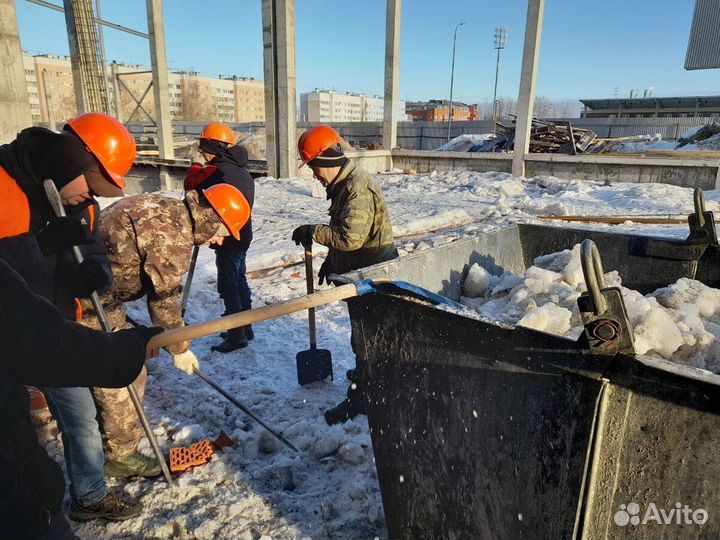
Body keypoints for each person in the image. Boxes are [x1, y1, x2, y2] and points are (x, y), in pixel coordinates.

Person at [0, 112, 146, 521]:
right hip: (7, 333)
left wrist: (96, 274)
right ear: (71, 160)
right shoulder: (2, 186)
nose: (90, 198)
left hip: (53, 330)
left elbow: (91, 245)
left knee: (80, 415)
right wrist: (41, 244)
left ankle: (89, 496)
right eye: (91, 186)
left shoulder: (83, 205)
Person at [78, 185, 250, 477]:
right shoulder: (172, 236)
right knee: (124, 372)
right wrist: (179, 348)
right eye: (222, 231)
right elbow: (165, 302)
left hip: (101, 293)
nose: (219, 241)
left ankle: (102, 427)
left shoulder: (170, 211)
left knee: (122, 362)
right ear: (212, 216)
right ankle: (120, 457)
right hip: (88, 299)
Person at [0, 254, 162, 540]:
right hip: (19, 508)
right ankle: (90, 496)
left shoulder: (71, 213)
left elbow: (95, 254)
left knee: (82, 417)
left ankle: (89, 495)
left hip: (58, 324)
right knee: (81, 419)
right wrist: (125, 351)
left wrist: (91, 270)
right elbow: (34, 337)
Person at [291, 125, 398, 425]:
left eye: (314, 168)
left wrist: (314, 231)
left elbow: (350, 238)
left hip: (373, 276)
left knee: (366, 340)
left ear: (326, 160)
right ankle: (368, 372)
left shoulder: (356, 188)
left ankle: (362, 398)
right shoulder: (342, 184)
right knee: (363, 339)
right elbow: (347, 234)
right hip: (360, 270)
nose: (314, 175)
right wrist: (332, 262)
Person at [184, 122, 256, 353]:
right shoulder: (242, 171)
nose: (201, 153)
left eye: (202, 148)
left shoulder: (217, 172)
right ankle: (245, 327)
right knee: (240, 279)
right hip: (242, 233)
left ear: (211, 147)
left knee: (228, 285)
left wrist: (195, 166)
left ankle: (237, 336)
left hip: (226, 236)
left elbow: (190, 187)